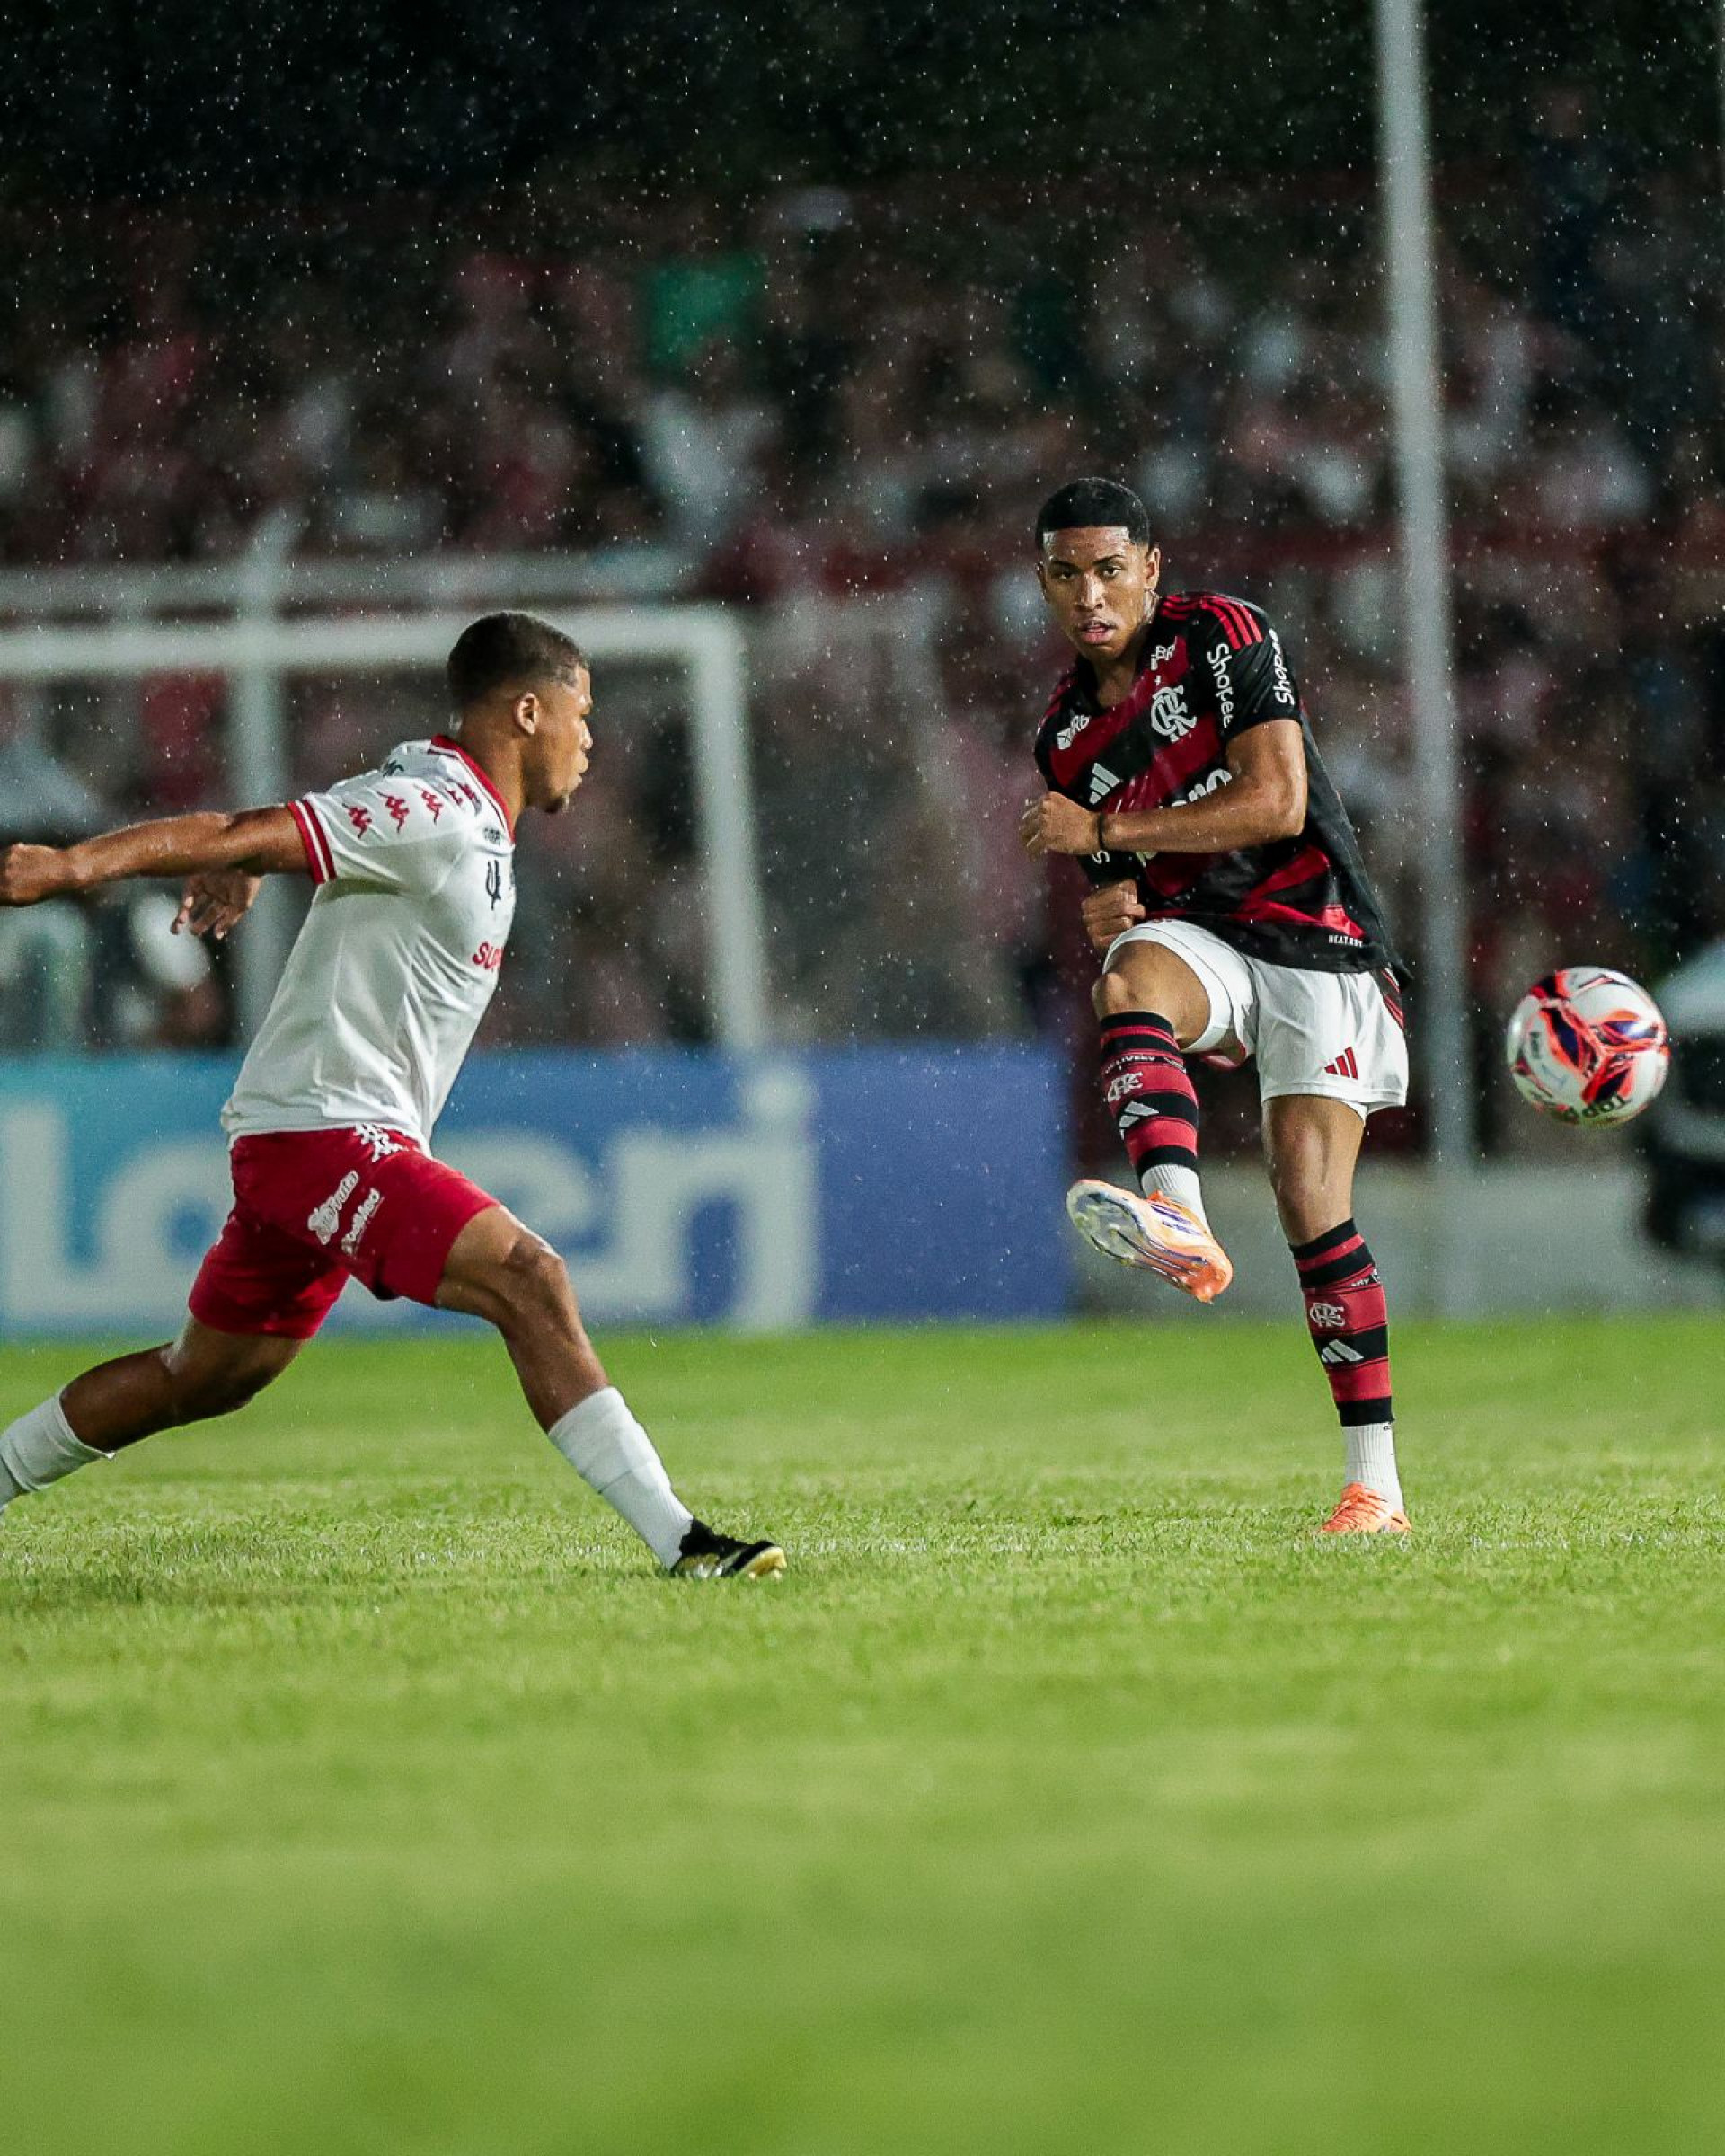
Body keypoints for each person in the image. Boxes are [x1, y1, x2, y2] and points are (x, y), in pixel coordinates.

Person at [0, 611, 784, 1580]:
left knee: (200, 1378)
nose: (591, 739)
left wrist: (246, 864)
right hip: (324, 1134)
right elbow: (241, 826)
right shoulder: (440, 810)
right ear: (528, 710)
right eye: (581, 714)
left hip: (310, 1136)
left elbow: (282, 832)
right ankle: (685, 1542)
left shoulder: (455, 812)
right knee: (529, 1279)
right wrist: (72, 866)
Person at [1020, 479, 1410, 1535]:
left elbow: (1275, 801)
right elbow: (1122, 889)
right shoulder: (1064, 734)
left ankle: (1376, 1489)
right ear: (1044, 583)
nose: (1090, 594)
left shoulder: (1226, 634)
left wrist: (1104, 835)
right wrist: (1113, 894)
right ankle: (1177, 1212)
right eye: (1067, 573)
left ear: (1151, 566)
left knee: (1308, 1200)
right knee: (1130, 977)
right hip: (1214, 946)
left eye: (1110, 568)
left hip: (1319, 933)